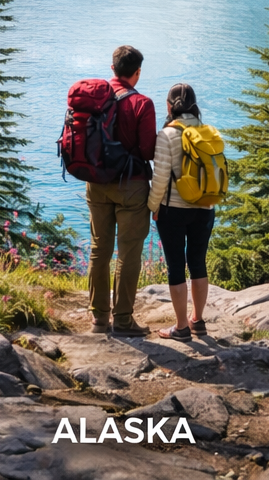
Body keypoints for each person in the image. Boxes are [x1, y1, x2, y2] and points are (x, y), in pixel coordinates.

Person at [88, 45, 157, 336]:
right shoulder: (143, 104)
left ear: (112, 68)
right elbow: (147, 149)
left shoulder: (93, 99)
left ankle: (98, 320)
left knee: (98, 250)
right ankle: (124, 320)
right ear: (137, 73)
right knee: (128, 252)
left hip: (96, 183)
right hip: (131, 186)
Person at [148, 83, 216, 341]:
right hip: (205, 207)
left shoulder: (166, 135)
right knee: (198, 263)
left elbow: (160, 178)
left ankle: (181, 328)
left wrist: (153, 207)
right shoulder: (207, 131)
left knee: (176, 266)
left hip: (173, 210)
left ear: (169, 106)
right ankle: (197, 320)